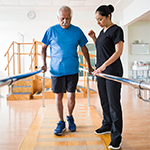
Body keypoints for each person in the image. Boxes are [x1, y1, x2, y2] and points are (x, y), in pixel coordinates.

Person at [41, 5, 94, 136]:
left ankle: (70, 117)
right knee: (58, 96)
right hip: (56, 71)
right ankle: (61, 122)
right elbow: (43, 48)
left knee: (71, 95)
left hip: (72, 70)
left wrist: (89, 65)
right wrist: (44, 64)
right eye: (63, 18)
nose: (65, 21)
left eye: (68, 18)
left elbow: (84, 49)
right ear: (58, 17)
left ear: (71, 18)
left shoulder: (77, 31)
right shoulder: (51, 30)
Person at [88, 4, 124, 150]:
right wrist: (94, 38)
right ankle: (107, 125)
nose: (98, 22)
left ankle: (116, 137)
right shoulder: (102, 31)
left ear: (108, 16)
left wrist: (104, 66)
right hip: (101, 72)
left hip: (112, 71)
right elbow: (102, 48)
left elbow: (118, 52)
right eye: (96, 19)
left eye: (100, 19)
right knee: (104, 100)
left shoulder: (117, 30)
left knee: (114, 103)